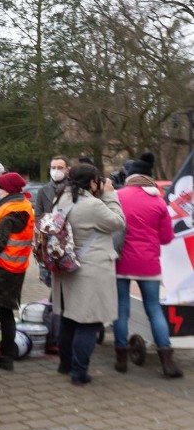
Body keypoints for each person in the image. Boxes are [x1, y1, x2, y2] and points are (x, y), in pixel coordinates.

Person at [51, 163, 125, 385]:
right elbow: (119, 222)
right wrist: (111, 196)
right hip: (90, 270)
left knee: (69, 319)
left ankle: (65, 364)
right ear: (92, 182)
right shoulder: (92, 205)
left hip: (65, 268)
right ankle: (79, 372)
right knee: (89, 322)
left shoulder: (60, 199)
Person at [113, 153, 182, 378]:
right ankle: (166, 359)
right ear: (149, 177)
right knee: (154, 309)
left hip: (121, 262)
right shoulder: (158, 202)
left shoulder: (117, 196)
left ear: (130, 176)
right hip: (149, 264)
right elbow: (166, 238)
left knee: (121, 310)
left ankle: (121, 359)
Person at [0, 172, 34, 371]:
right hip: (13, 267)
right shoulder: (18, 206)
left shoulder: (13, 210)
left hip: (2, 268)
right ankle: (7, 354)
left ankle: (4, 356)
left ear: (8, 190)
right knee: (5, 312)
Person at [34, 155, 69, 288]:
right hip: (50, 239)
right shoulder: (44, 190)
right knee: (51, 280)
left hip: (68, 240)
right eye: (53, 167)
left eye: (60, 167)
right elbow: (38, 215)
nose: (56, 170)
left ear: (67, 170)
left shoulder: (73, 189)